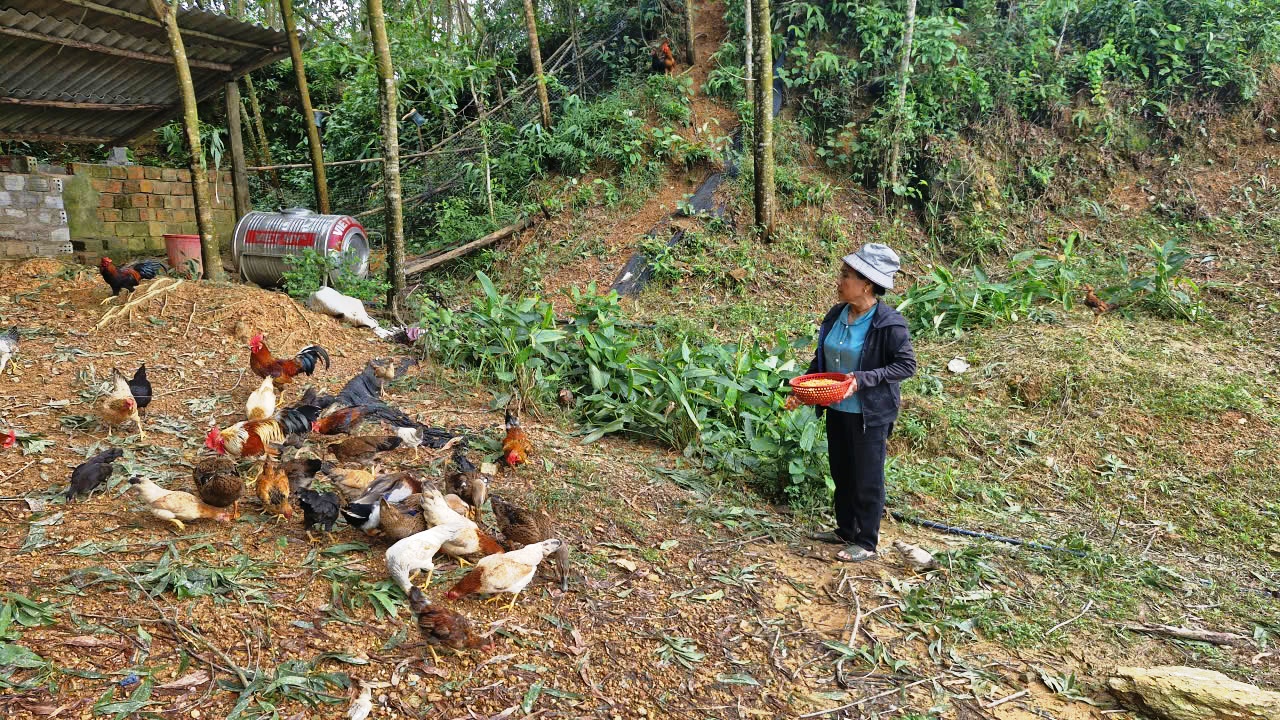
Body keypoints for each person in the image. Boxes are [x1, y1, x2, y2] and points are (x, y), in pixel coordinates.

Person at [786, 243, 916, 562]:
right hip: (837, 409)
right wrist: (802, 391)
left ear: (867, 284)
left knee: (867, 477)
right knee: (841, 471)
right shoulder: (836, 315)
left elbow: (906, 365)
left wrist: (862, 379)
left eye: (846, 275)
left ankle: (867, 542)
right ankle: (845, 530)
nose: (839, 280)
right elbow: (822, 359)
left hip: (868, 414)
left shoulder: (888, 323)